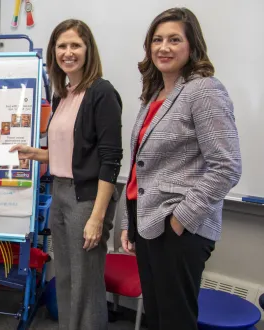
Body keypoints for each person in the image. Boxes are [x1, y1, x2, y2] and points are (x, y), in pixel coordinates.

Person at [120, 8, 241, 330]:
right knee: (156, 318)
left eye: (175, 40)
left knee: (175, 321)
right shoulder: (154, 94)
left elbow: (226, 166)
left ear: (191, 46)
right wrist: (127, 222)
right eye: (157, 40)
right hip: (146, 220)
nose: (164, 47)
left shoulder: (203, 90)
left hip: (178, 228)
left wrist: (179, 220)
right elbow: (138, 167)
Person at [11, 19, 123, 330]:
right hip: (60, 192)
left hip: (87, 198)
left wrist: (97, 217)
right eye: (62, 46)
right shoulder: (63, 94)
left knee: (86, 284)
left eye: (75, 45)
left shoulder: (102, 93)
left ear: (88, 51)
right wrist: (37, 154)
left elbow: (110, 159)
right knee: (67, 277)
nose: (68, 52)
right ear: (53, 52)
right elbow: (73, 153)